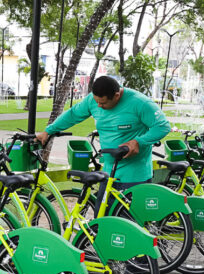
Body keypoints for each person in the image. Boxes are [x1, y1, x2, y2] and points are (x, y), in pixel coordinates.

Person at [36, 75, 171, 190]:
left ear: (117, 95)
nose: (99, 106)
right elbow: (72, 115)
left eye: (103, 103)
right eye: (96, 102)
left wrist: (139, 142)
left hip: (135, 176)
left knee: (128, 220)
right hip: (108, 174)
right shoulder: (92, 101)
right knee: (102, 219)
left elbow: (163, 126)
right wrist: (48, 131)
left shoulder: (140, 103)